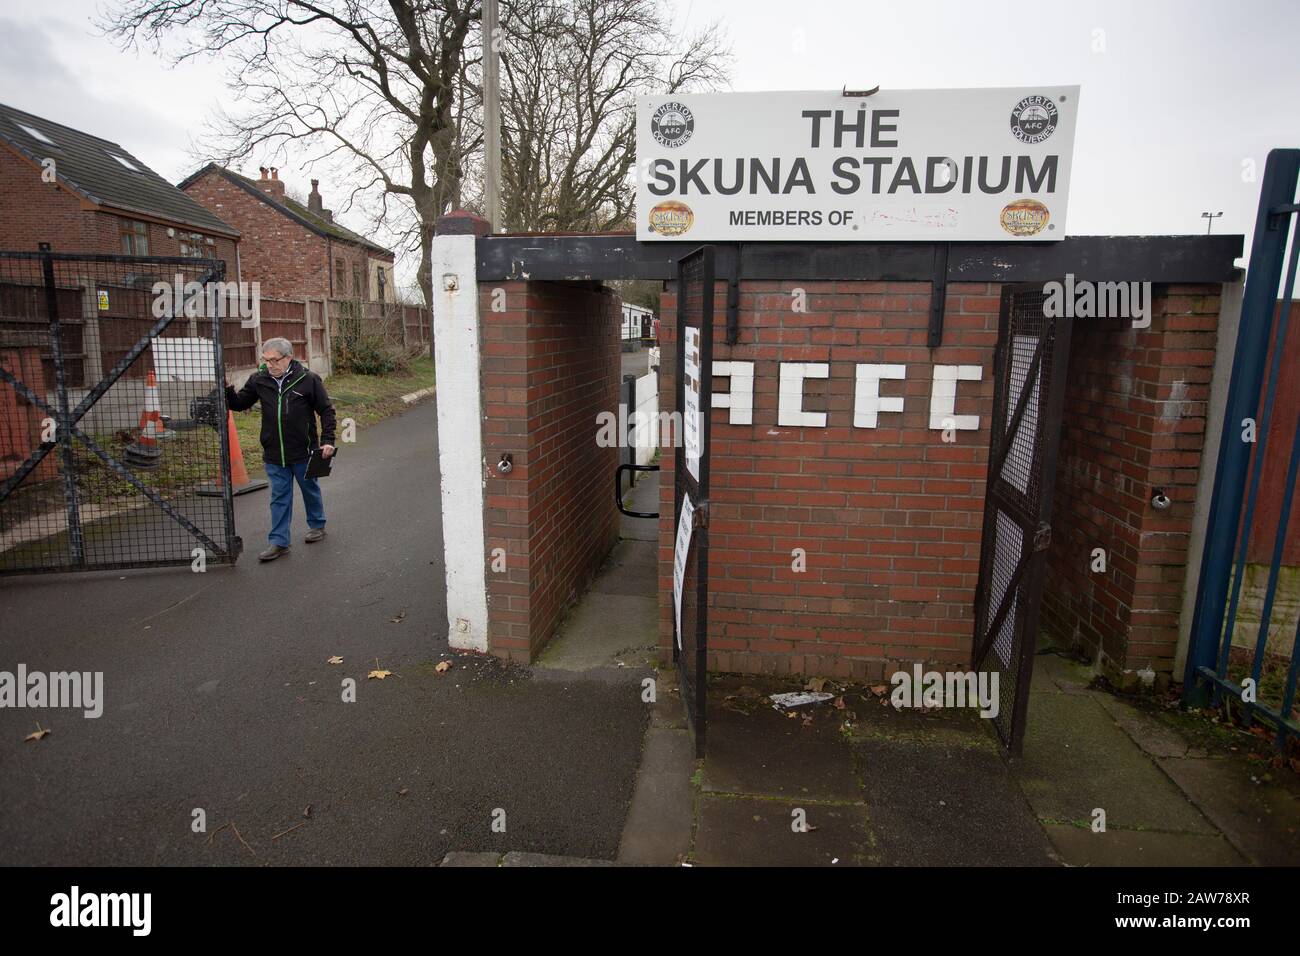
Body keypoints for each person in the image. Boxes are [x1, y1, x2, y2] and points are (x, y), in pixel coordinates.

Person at [226, 338, 336, 561]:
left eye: (274, 360)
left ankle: (317, 525)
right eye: (265, 360)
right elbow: (239, 404)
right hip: (274, 453)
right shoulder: (259, 380)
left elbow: (326, 410)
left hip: (304, 450)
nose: (269, 365)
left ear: (288, 358)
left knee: (310, 490)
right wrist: (227, 389)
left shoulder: (308, 380)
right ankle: (279, 541)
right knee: (279, 497)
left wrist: (327, 440)